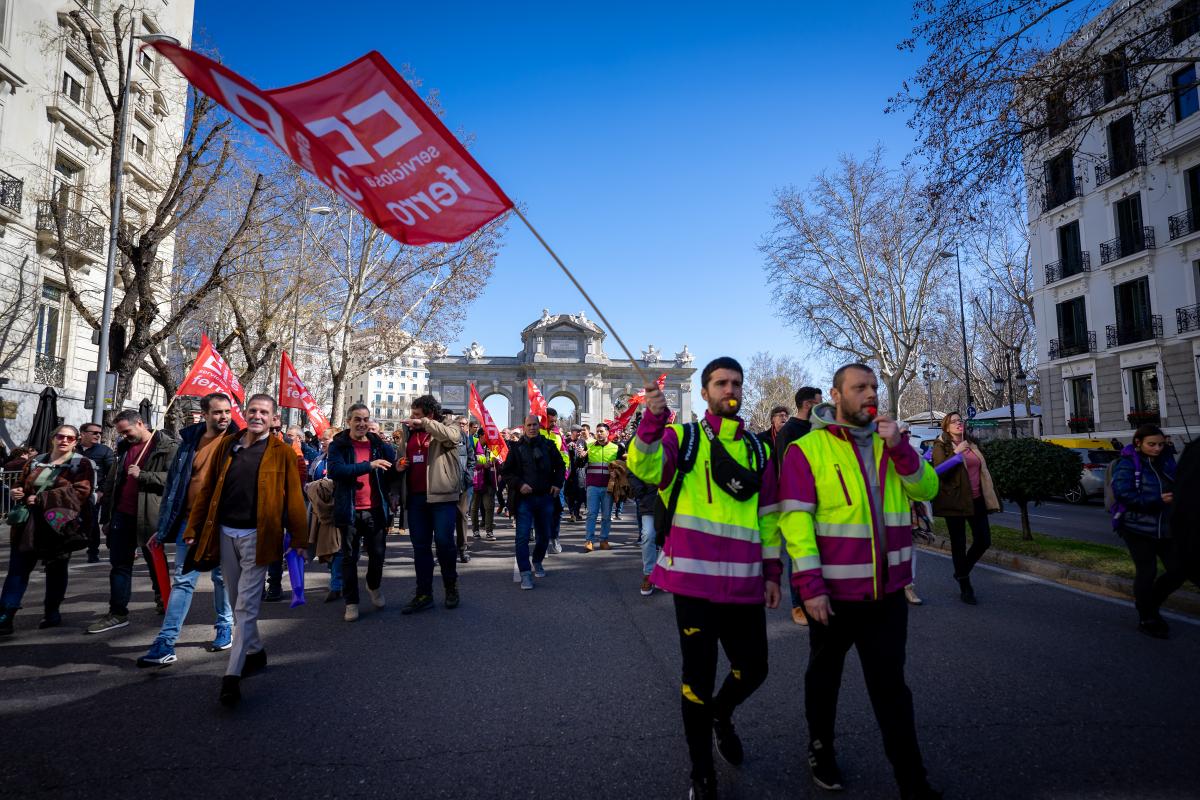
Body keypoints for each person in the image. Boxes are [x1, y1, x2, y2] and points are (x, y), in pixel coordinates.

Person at [761, 363, 940, 800]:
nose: (870, 394)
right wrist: (810, 585)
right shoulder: (810, 449)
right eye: (859, 387)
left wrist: (900, 447)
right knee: (825, 679)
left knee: (892, 690)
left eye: (874, 387)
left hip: (887, 594)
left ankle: (912, 782)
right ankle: (821, 751)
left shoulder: (892, 444)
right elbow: (796, 521)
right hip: (833, 597)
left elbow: (927, 490)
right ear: (836, 396)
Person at [629, 357, 772, 800]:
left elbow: (769, 518)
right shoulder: (684, 437)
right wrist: (652, 422)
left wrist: (773, 570)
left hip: (746, 583)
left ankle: (721, 715)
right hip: (694, 587)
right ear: (705, 391)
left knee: (754, 670)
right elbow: (646, 467)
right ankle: (701, 773)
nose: (729, 389)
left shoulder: (759, 449)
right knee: (697, 680)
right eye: (720, 383)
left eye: (736, 383)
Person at [182, 393, 308, 707]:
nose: (257, 416)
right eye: (253, 410)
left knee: (244, 608)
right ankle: (256, 651)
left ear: (273, 418)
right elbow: (208, 490)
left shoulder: (282, 453)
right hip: (225, 534)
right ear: (245, 412)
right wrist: (193, 528)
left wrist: (300, 540)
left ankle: (232, 676)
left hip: (259, 536)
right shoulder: (229, 445)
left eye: (264, 412)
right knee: (238, 600)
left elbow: (294, 499)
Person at [136, 393, 236, 667]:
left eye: (227, 411)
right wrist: (165, 524)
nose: (224, 416)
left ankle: (224, 626)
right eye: (217, 412)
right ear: (204, 414)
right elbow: (174, 488)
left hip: (223, 523)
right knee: (183, 581)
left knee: (222, 578)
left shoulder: (238, 443)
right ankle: (166, 643)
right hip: (188, 522)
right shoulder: (188, 443)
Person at [88, 410, 177, 634]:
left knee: (155, 561)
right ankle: (117, 612)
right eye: (121, 433)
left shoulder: (168, 446)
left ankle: (164, 599)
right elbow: (113, 482)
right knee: (119, 565)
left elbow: (176, 480)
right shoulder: (124, 448)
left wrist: (144, 475)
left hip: (149, 516)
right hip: (122, 515)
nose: (124, 436)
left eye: (127, 432)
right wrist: (107, 517)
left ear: (140, 423)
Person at [0, 425, 95, 635]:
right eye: (60, 436)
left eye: (70, 438)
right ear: (53, 438)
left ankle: (52, 612)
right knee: (17, 571)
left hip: (58, 525)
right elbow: (22, 483)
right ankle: (5, 616)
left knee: (56, 570)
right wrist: (17, 491)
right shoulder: (36, 461)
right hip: (28, 525)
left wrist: (43, 498)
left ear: (76, 441)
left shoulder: (80, 463)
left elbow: (81, 492)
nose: (64, 441)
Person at [327, 404, 396, 622]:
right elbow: (337, 471)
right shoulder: (339, 445)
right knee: (350, 558)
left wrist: (399, 469)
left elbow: (392, 468)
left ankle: (373, 585)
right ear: (348, 421)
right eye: (357, 419)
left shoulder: (378, 444)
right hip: (349, 509)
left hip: (375, 510)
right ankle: (352, 602)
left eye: (365, 419)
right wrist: (369, 465)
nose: (362, 423)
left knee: (378, 555)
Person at [396, 395, 463, 614]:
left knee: (444, 543)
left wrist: (425, 424)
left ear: (430, 414)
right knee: (420, 547)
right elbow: (401, 457)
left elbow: (453, 438)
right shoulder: (408, 432)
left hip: (442, 497)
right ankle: (423, 593)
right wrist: (400, 464)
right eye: (412, 414)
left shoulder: (448, 426)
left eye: (417, 415)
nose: (412, 419)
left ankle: (450, 587)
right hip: (416, 498)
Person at [1111, 424, 1178, 639]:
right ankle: (1147, 617)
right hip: (1136, 527)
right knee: (1147, 572)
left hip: (1166, 528)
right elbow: (1124, 494)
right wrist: (1158, 501)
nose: (1157, 448)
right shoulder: (1128, 463)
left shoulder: (1167, 462)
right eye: (1152, 444)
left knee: (1178, 570)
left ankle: (1150, 604)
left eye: (1161, 444)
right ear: (1138, 443)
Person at [929, 411, 999, 605]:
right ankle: (965, 587)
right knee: (958, 544)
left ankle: (961, 571)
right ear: (946, 427)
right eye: (954, 422)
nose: (959, 424)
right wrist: (956, 453)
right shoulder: (940, 446)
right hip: (955, 501)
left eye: (960, 420)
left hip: (976, 499)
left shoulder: (972, 444)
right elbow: (938, 472)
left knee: (983, 540)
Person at [772, 386, 823, 626]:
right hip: (797, 502)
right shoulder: (789, 432)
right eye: (819, 403)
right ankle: (797, 604)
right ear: (808, 405)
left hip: (822, 501)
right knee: (797, 555)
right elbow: (783, 471)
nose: (823, 408)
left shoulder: (819, 428)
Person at [501, 414, 563, 589]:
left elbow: (560, 466)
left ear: (539, 426)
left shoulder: (549, 445)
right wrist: (519, 484)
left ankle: (537, 560)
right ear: (524, 426)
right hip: (524, 500)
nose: (532, 428)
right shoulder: (516, 448)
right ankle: (525, 573)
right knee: (522, 537)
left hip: (545, 498)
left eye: (535, 424)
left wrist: (558, 484)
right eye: (529, 425)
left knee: (544, 536)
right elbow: (506, 472)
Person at [76, 422, 114, 563]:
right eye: (94, 432)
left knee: (91, 522)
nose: (98, 435)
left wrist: (101, 492)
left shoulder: (104, 451)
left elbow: (111, 474)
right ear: (83, 434)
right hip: (71, 493)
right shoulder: (73, 449)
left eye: (100, 433)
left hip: (93, 494)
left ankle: (93, 552)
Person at [584, 423, 623, 552]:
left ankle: (604, 540)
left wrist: (616, 472)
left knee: (606, 515)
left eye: (601, 431)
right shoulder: (589, 446)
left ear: (607, 433)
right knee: (591, 514)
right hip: (592, 486)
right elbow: (580, 464)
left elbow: (621, 466)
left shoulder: (615, 448)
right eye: (597, 431)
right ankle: (589, 541)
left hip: (609, 487)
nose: (599, 433)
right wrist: (580, 457)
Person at [541, 408, 569, 553]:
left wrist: (564, 475)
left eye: (554, 421)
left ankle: (555, 537)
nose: (553, 423)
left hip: (557, 479)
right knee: (542, 511)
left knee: (557, 510)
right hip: (540, 480)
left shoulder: (559, 434)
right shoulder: (536, 431)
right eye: (550, 421)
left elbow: (565, 455)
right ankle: (543, 542)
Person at [454, 416, 476, 564]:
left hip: (462, 483)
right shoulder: (446, 437)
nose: (462, 426)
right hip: (445, 484)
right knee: (444, 518)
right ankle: (445, 550)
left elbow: (471, 459)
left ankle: (462, 549)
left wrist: (468, 475)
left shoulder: (466, 439)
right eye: (459, 424)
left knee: (462, 516)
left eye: (464, 424)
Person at [471, 435, 499, 541]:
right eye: (486, 436)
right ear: (481, 436)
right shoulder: (472, 446)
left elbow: (498, 462)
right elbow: (470, 463)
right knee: (474, 508)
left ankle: (489, 531)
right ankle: (475, 531)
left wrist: (497, 463)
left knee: (489, 507)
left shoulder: (492, 448)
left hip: (489, 482)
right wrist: (483, 465)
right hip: (476, 482)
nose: (489, 439)